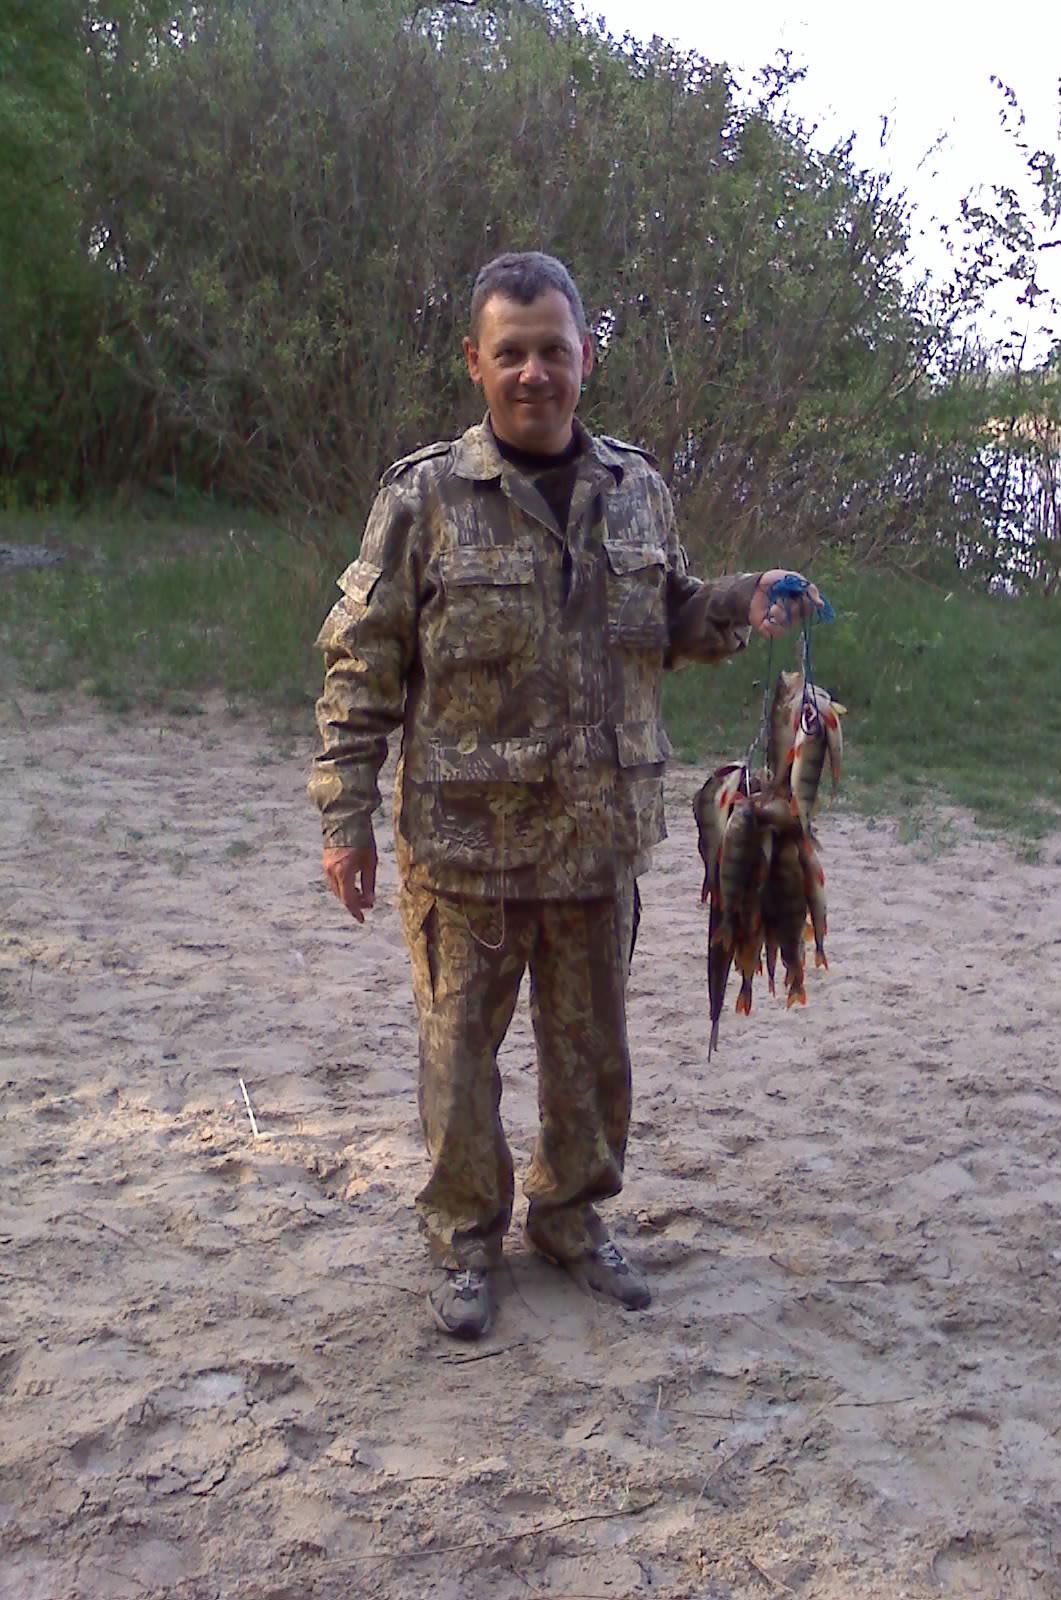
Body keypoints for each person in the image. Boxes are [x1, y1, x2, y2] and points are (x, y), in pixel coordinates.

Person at [307, 251, 825, 1342]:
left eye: (553, 350)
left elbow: (669, 617)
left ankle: (570, 1219)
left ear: (586, 355)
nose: (533, 372)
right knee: (459, 1062)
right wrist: (344, 817)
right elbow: (362, 662)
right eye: (512, 353)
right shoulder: (423, 498)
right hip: (464, 852)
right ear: (475, 362)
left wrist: (742, 603)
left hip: (598, 842)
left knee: (591, 1061)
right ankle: (464, 1238)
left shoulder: (637, 489)